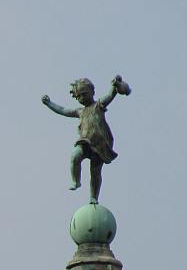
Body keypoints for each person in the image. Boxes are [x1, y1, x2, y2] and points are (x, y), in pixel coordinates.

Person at [42, 76, 130, 204]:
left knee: (95, 172)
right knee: (75, 156)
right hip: (85, 141)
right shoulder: (80, 111)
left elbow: (110, 95)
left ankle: (93, 197)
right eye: (78, 96)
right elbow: (63, 110)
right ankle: (76, 181)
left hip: (99, 143)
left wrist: (115, 85)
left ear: (92, 92)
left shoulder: (98, 105)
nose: (81, 98)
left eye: (84, 94)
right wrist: (49, 103)